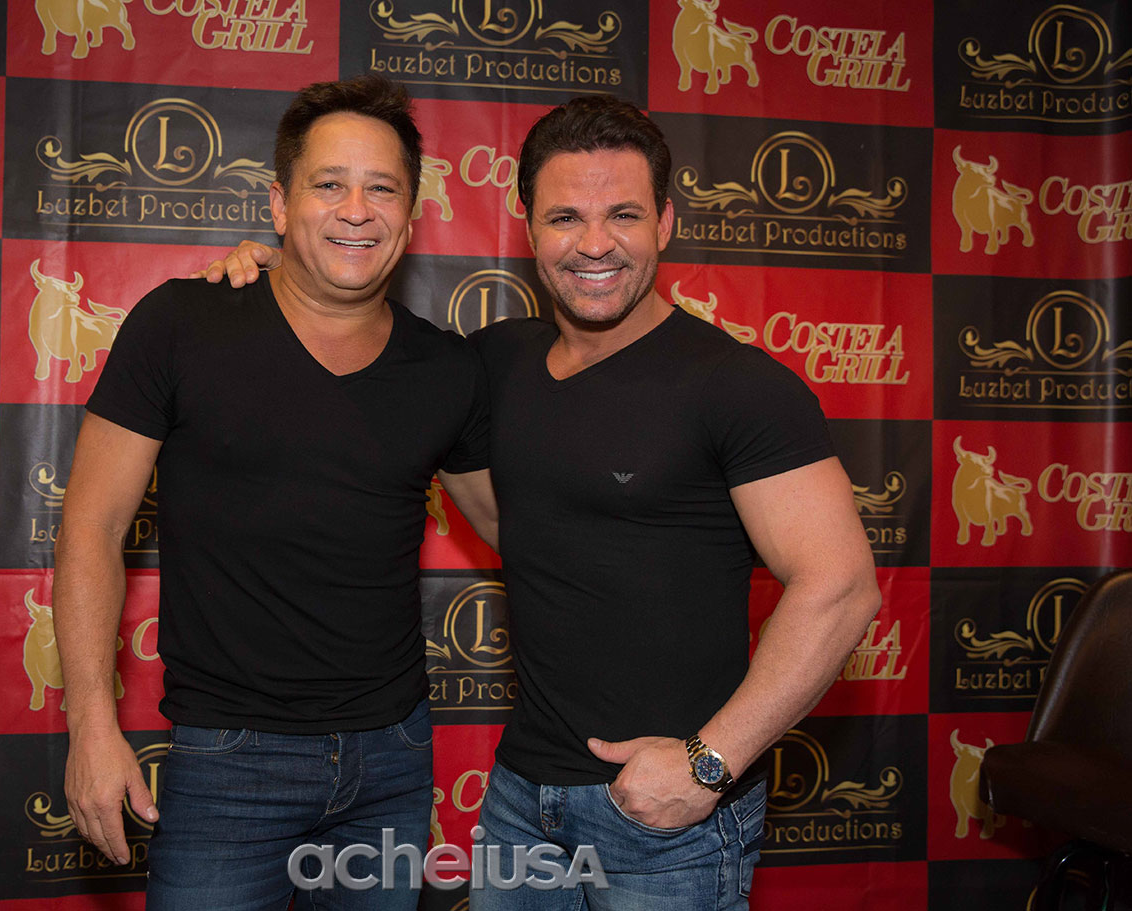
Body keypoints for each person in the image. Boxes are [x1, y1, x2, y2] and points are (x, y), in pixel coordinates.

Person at [207, 95, 880, 909]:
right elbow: (371, 357)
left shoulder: (738, 386)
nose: (594, 243)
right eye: (565, 217)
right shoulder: (496, 363)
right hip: (521, 800)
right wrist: (276, 277)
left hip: (668, 818)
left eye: (623, 214)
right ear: (528, 228)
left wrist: (708, 764)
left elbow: (840, 586)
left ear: (666, 223)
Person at [52, 74, 497, 911]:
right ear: (279, 204)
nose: (356, 210)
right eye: (329, 184)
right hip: (228, 765)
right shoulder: (182, 324)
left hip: (392, 761)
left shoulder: (447, 368)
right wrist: (90, 726)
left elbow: (520, 531)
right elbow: (91, 527)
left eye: (382, 189)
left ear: (411, 215)